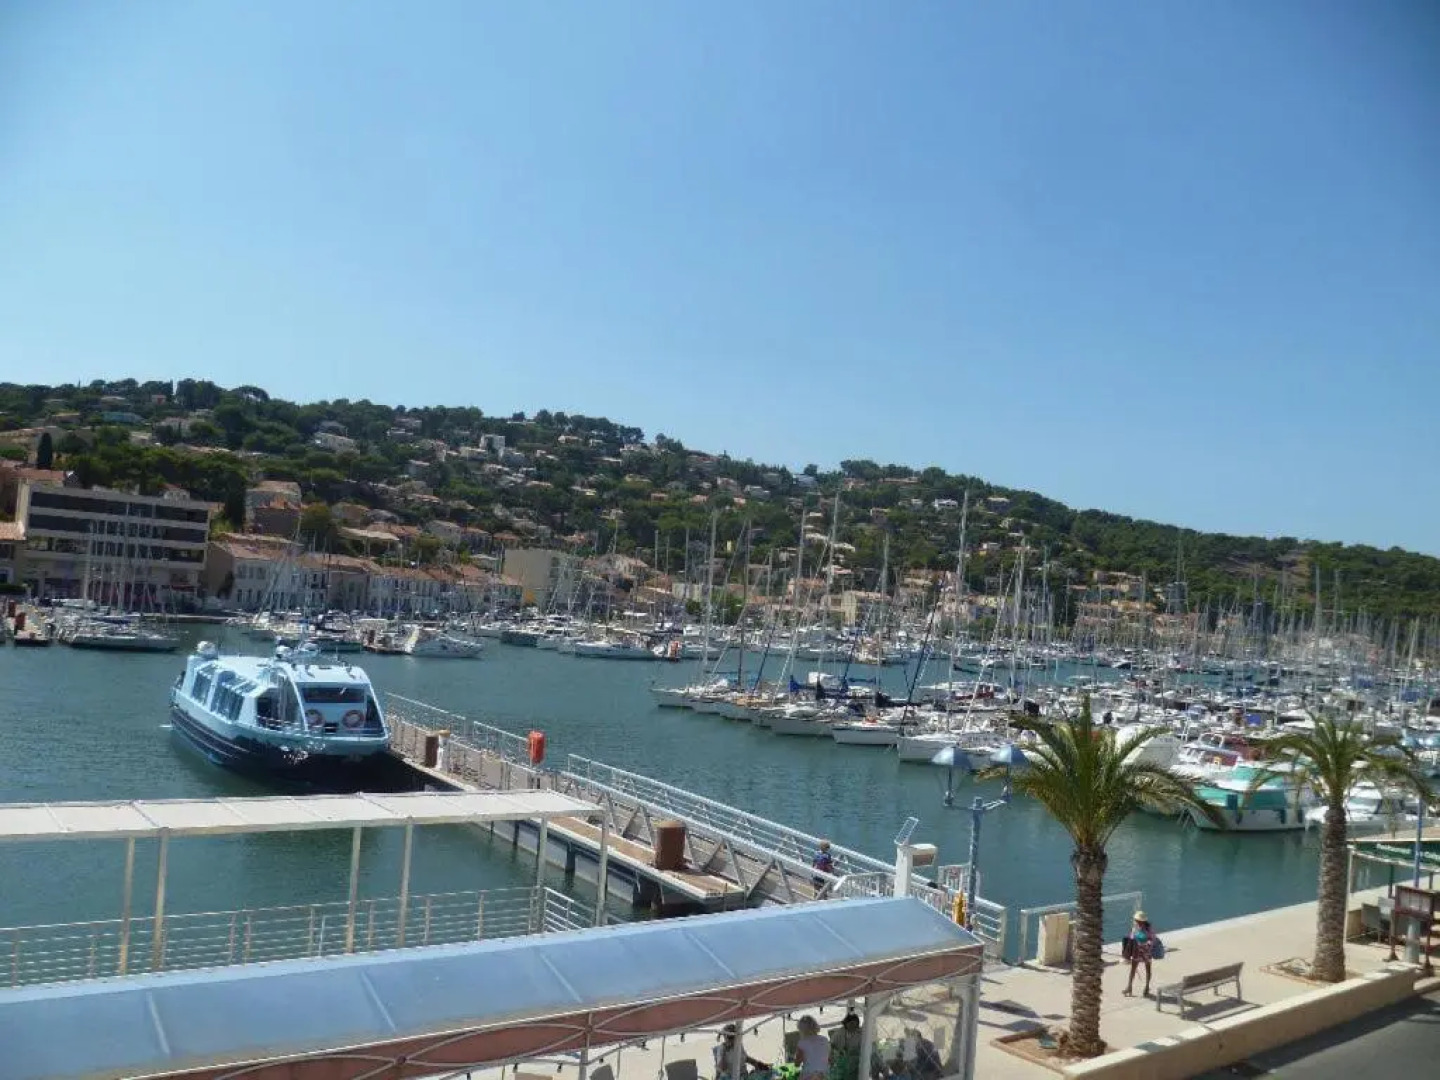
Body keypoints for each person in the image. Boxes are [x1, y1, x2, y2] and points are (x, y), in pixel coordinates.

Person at [1123, 911, 1156, 997]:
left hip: (1146, 952)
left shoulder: (1149, 929)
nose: (1135, 921)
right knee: (1133, 969)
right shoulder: (1135, 928)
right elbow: (1131, 939)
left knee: (1148, 969)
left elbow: (1152, 940)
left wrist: (1144, 945)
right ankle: (1129, 987)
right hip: (1137, 952)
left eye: (1136, 920)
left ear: (1141, 921)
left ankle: (1147, 987)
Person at [793, 1015, 831, 1080]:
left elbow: (797, 1064)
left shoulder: (802, 1042)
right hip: (823, 1075)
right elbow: (829, 1058)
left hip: (809, 1075)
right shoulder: (825, 1039)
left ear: (801, 1029)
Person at [827, 1012, 862, 1080]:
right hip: (840, 1064)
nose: (853, 1026)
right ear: (846, 1023)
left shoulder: (860, 1033)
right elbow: (831, 1045)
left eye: (855, 1024)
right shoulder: (839, 1033)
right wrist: (832, 1054)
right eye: (851, 1024)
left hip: (855, 1065)